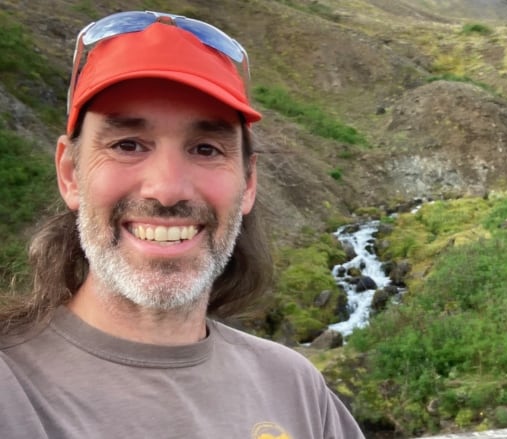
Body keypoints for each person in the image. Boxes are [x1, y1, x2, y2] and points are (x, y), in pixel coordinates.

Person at [0, 10, 365, 439]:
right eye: (128, 144)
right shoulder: (12, 390)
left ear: (247, 183)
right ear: (70, 174)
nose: (167, 189)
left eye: (206, 149)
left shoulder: (297, 388)